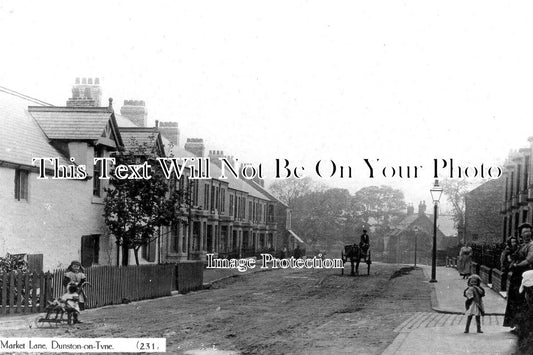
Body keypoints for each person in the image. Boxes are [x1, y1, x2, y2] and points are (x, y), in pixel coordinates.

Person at [504, 223, 533, 333]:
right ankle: (517, 325)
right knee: (515, 299)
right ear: (520, 234)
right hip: (517, 275)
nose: (527, 234)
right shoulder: (521, 245)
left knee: (523, 299)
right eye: (524, 232)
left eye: (529, 231)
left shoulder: (531, 245)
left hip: (526, 274)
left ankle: (524, 327)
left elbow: (529, 260)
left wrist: (517, 265)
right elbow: (514, 256)